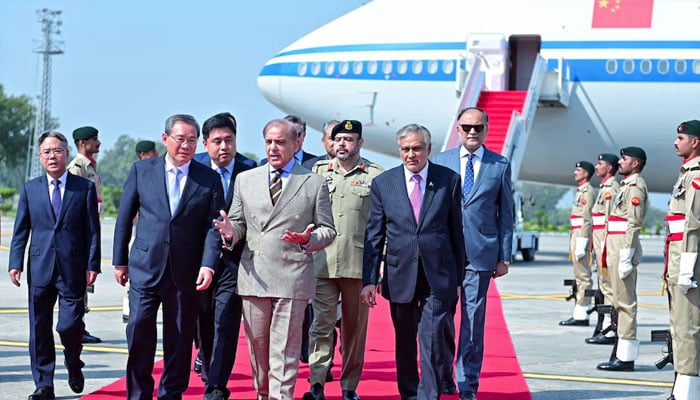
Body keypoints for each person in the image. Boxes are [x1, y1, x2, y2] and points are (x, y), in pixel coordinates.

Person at [213, 118, 335, 400]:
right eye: (268, 142)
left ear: (296, 144)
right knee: (258, 346)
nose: (273, 148)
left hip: (292, 276)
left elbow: (328, 230)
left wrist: (308, 239)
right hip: (254, 275)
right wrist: (230, 233)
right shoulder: (246, 179)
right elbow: (237, 222)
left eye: (280, 142)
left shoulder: (313, 182)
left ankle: (282, 396)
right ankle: (263, 393)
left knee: (285, 347)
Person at [112, 114, 224, 399]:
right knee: (138, 332)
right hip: (144, 267)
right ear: (165, 139)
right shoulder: (142, 170)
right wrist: (119, 260)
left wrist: (208, 265)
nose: (185, 145)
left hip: (185, 272)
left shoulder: (208, 178)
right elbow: (124, 218)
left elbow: (213, 227)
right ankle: (138, 393)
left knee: (179, 338)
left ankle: (171, 393)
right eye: (179, 139)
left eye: (191, 140)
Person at [362, 124, 465, 400]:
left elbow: (457, 232)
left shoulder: (449, 180)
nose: (411, 154)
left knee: (431, 338)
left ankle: (428, 395)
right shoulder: (384, 184)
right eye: (406, 149)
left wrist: (458, 278)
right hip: (400, 273)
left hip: (438, 273)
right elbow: (374, 235)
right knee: (405, 340)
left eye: (417, 148)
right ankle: (409, 393)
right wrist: (369, 280)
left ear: (428, 149)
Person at [8, 131, 101, 400]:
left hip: (73, 268)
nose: (52, 156)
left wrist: (92, 263)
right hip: (40, 267)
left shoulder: (82, 189)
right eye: (47, 152)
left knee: (69, 326)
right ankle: (44, 384)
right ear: (40, 156)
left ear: (67, 153)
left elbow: (93, 231)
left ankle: (73, 361)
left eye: (57, 150)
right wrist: (15, 263)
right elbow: (21, 230)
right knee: (39, 328)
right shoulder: (31, 189)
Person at [432, 107, 513, 400]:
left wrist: (504, 256)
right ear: (458, 129)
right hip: (444, 254)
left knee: (473, 320)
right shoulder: (440, 162)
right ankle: (443, 375)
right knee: (440, 319)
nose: (472, 132)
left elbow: (506, 213)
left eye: (478, 127)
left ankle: (468, 382)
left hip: (480, 254)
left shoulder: (499, 165)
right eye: (467, 127)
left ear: (486, 129)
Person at [303, 120, 384, 400]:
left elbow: (379, 227)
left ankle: (349, 387)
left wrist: (375, 274)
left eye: (348, 139)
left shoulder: (375, 175)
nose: (341, 144)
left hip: (357, 266)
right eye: (337, 139)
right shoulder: (316, 173)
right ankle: (316, 384)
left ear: (360, 143)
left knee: (353, 331)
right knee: (320, 326)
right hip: (322, 264)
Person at [193, 113, 257, 400]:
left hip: (234, 260)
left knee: (226, 323)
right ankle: (208, 368)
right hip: (198, 261)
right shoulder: (192, 168)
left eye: (228, 140)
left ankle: (217, 384)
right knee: (203, 321)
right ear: (205, 143)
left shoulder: (249, 169)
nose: (223, 147)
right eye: (216, 141)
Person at [596, 146, 648, 372]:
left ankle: (625, 357)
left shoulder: (635, 186)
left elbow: (633, 223)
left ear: (635, 164)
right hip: (614, 245)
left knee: (625, 303)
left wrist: (627, 254)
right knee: (618, 301)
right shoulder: (626, 185)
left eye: (624, 159)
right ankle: (619, 350)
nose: (620, 162)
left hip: (623, 248)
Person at [664, 120, 700, 400]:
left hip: (686, 258)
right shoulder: (685, 172)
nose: (676, 142)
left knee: (687, 325)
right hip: (675, 256)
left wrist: (687, 267)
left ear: (695, 142)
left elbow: (693, 224)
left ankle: (688, 392)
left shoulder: (696, 174)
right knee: (679, 324)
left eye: (680, 137)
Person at [67, 125, 103, 344]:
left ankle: (80, 326)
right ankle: (74, 326)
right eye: (94, 140)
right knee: (78, 281)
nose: (98, 143)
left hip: (90, 229)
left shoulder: (92, 167)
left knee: (86, 281)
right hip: (80, 232)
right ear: (83, 143)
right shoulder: (76, 168)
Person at [121, 140, 161, 324]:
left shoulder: (159, 170)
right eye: (153, 151)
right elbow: (127, 212)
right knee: (135, 278)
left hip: (153, 237)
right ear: (144, 154)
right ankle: (129, 308)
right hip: (139, 233)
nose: (157, 154)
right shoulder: (140, 172)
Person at [585, 153, 620, 345]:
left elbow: (608, 222)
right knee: (604, 286)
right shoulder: (604, 187)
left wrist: (606, 249)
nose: (596, 167)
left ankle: (611, 327)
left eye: (600, 164)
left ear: (609, 168)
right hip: (599, 244)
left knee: (609, 288)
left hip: (606, 244)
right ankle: (607, 325)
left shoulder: (611, 188)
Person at [559, 161, 595, 326]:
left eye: (578, 170)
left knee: (583, 276)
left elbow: (587, 218)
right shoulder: (581, 190)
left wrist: (582, 241)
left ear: (586, 174)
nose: (575, 172)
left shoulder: (587, 191)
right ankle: (580, 310)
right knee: (579, 275)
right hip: (576, 234)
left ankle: (582, 311)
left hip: (581, 235)